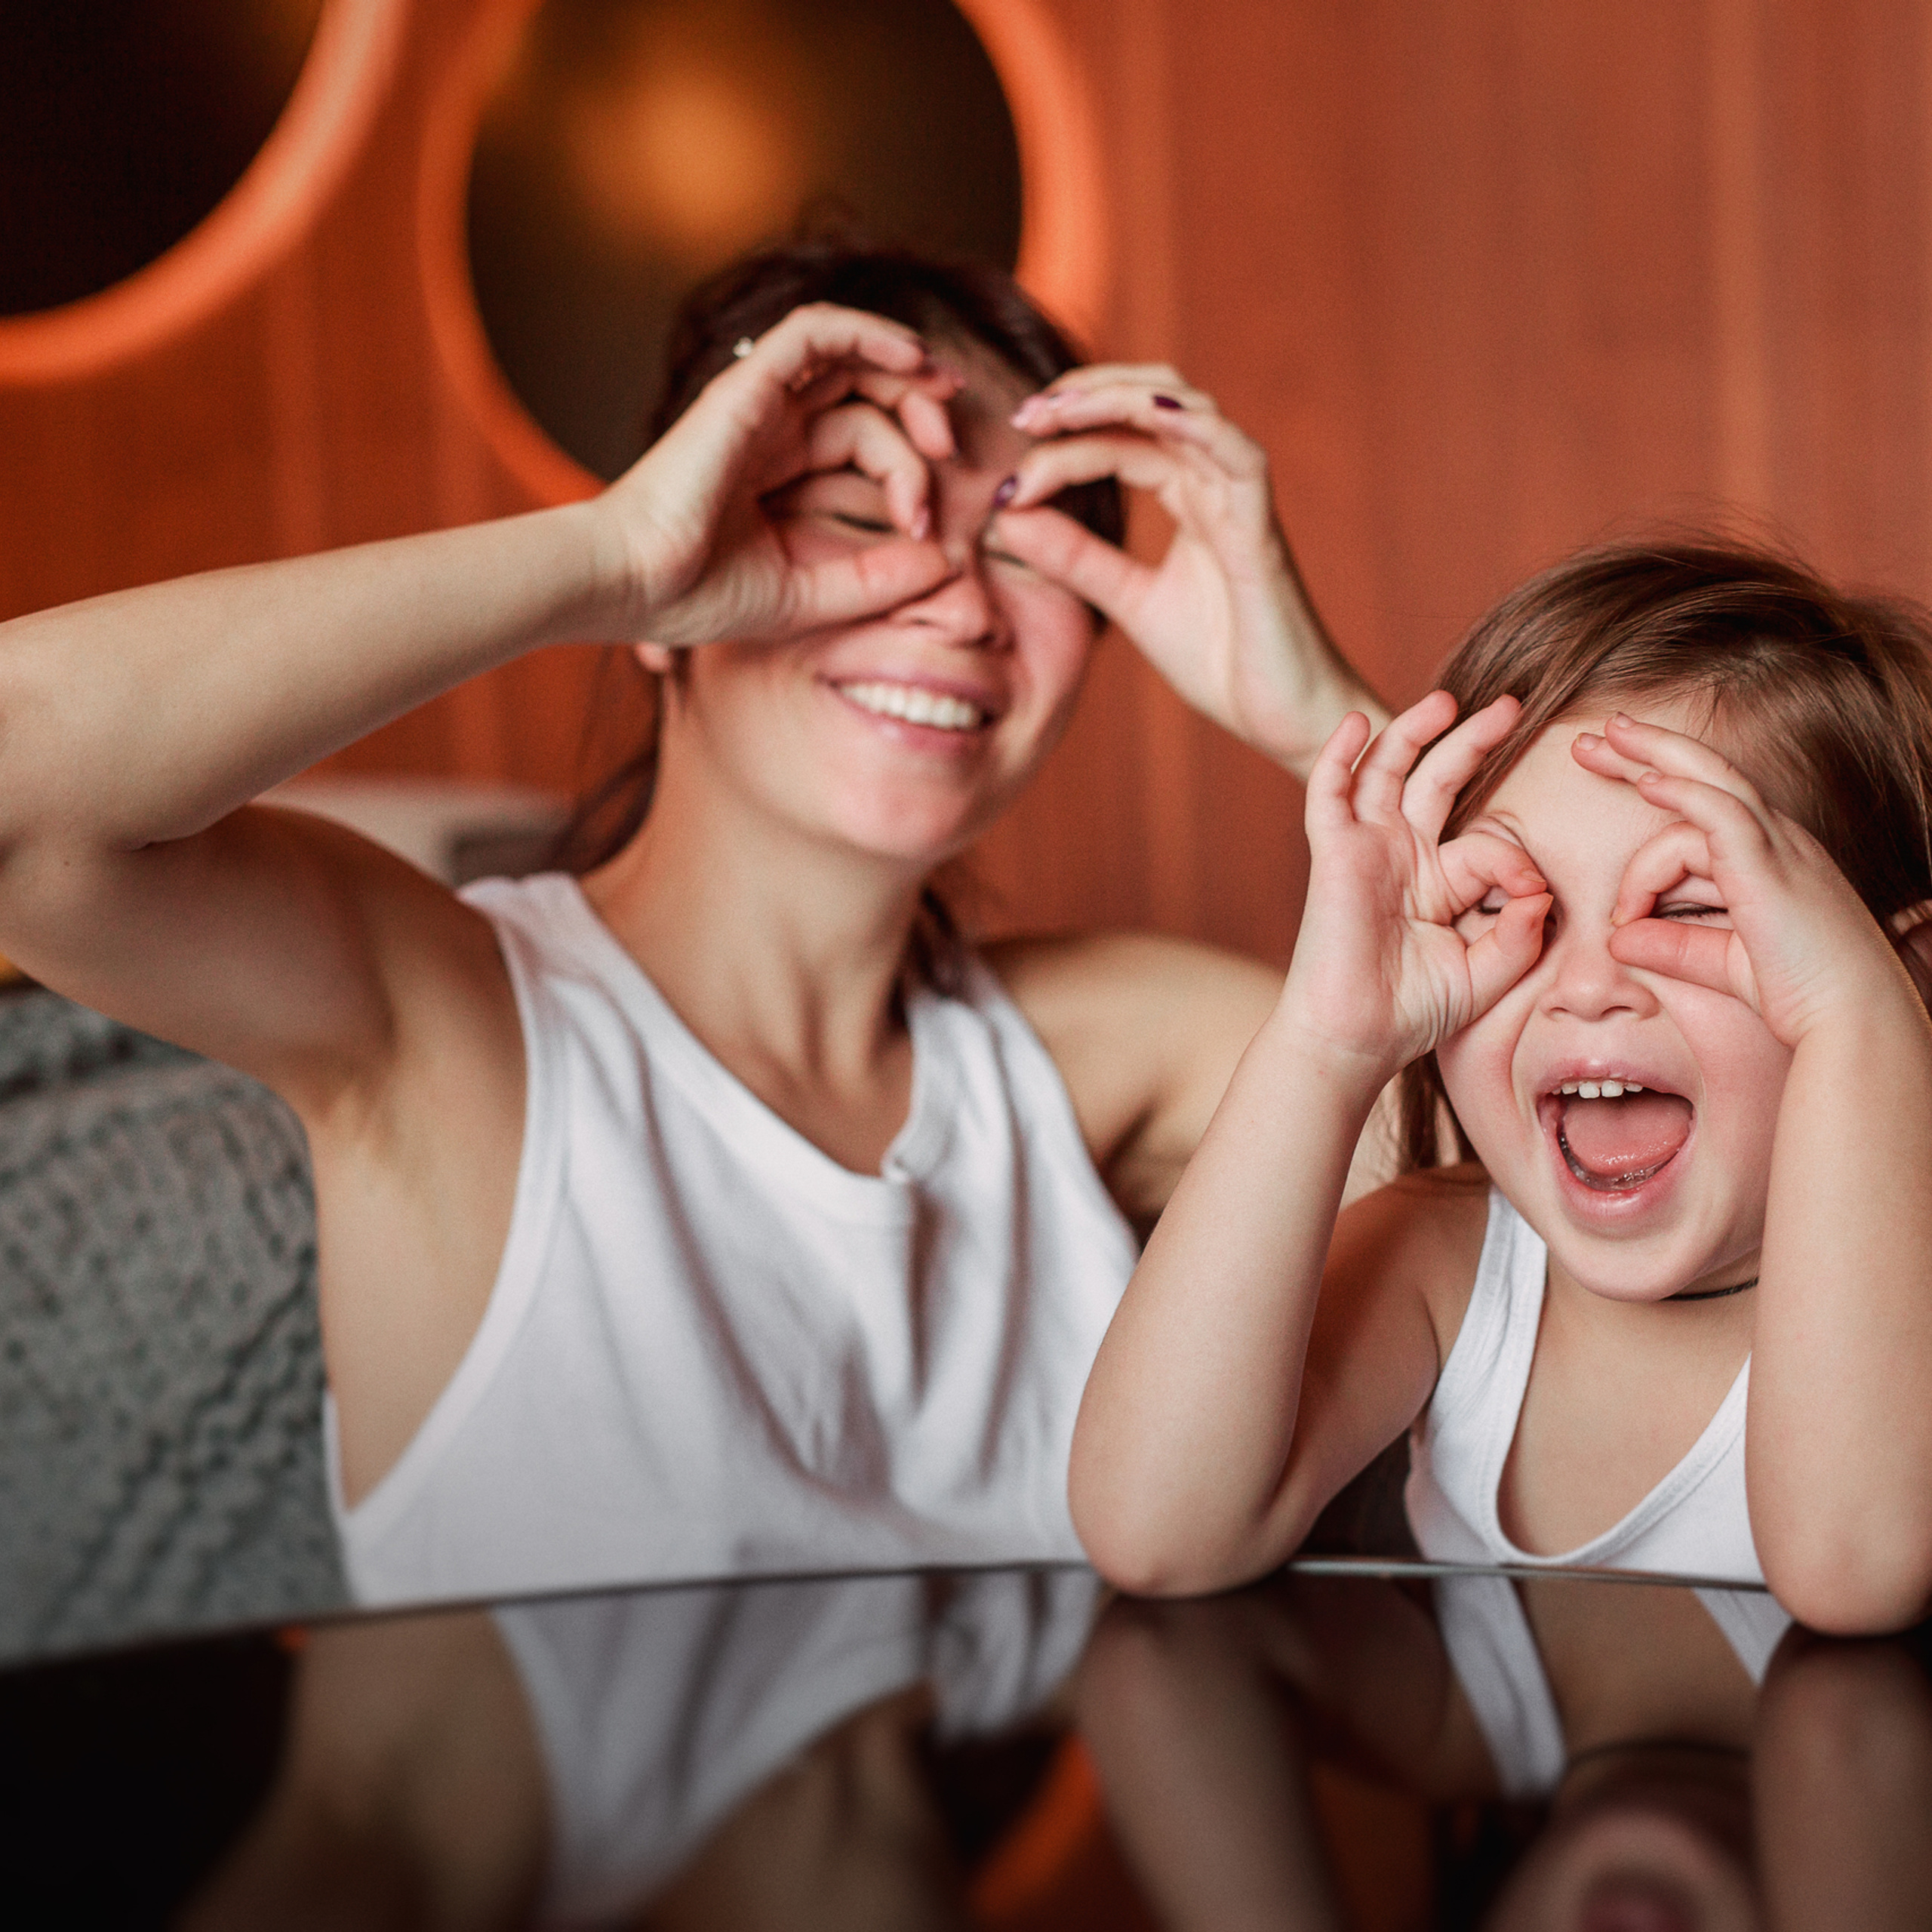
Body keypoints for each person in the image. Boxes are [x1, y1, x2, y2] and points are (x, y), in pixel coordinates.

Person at [0, 239, 1386, 1603]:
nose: (960, 603)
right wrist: (611, 556)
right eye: (857, 511)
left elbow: (1523, 1129)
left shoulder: (1102, 1049)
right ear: (675, 592)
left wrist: (1319, 716)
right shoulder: (449, 1018)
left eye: (1028, 548)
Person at [1069, 540, 1932, 1635]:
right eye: (1503, 904)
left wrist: (1865, 1023)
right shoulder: (1447, 1261)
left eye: (1691, 904)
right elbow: (1155, 1530)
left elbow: (1853, 1572)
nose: (1585, 987)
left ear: (1900, 972)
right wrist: (1327, 1044)